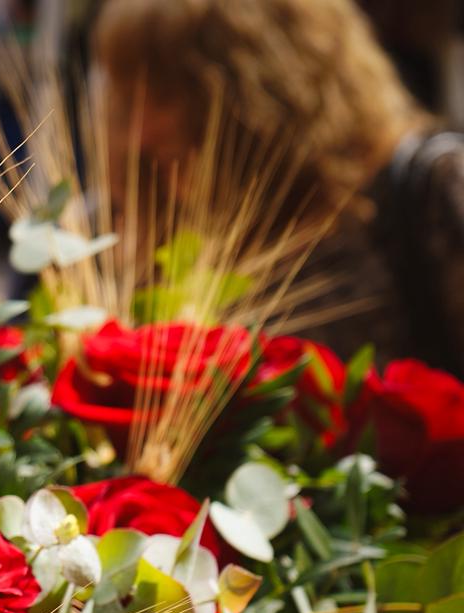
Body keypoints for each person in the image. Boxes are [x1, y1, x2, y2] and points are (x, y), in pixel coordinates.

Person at [93, 0, 464, 378]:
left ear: (257, 84)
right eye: (128, 99)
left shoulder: (427, 190)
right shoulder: (163, 229)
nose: (141, 131)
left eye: (166, 95)